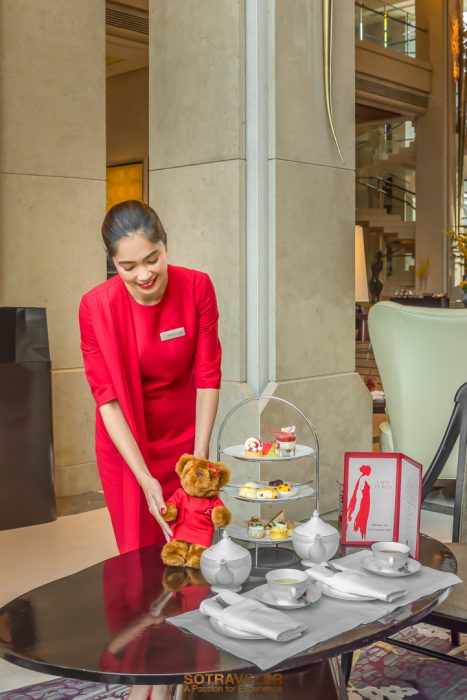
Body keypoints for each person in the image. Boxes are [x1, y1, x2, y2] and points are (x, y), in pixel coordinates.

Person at [79, 200, 222, 555]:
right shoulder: (95, 308)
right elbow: (107, 400)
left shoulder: (197, 288)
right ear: (113, 263)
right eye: (127, 266)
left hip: (185, 442)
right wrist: (144, 477)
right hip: (127, 449)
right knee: (140, 557)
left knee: (191, 551)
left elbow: (207, 376)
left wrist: (199, 458)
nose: (143, 275)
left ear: (165, 245)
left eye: (152, 259)